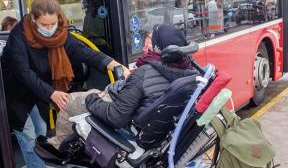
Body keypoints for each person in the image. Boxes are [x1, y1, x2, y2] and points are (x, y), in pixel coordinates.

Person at [1, 0, 129, 168]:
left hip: (37, 90)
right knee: (28, 137)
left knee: (41, 130)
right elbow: (24, 73)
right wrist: (52, 93)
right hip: (14, 92)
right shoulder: (19, 37)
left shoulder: (60, 34)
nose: (50, 29)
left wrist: (111, 63)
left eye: (52, 23)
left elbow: (83, 52)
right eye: (45, 24)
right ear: (33, 19)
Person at [38, 24, 197, 153]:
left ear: (159, 51)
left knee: (67, 102)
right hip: (132, 106)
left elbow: (116, 116)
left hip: (114, 106)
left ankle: (58, 147)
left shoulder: (145, 73)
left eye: (147, 47)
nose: (143, 50)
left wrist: (90, 100)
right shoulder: (187, 72)